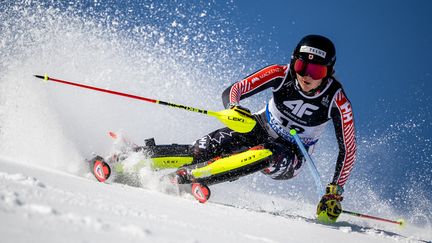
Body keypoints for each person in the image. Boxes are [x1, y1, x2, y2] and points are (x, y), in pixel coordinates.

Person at [96, 34, 357, 223]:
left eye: (316, 70)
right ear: (294, 63)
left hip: (292, 155)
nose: (307, 76)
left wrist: (336, 189)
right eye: (302, 66)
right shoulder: (281, 73)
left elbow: (349, 150)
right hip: (261, 126)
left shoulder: (337, 100)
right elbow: (235, 89)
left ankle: (192, 177)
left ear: (329, 72)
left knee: (267, 152)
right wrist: (234, 108)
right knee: (203, 149)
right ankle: (133, 158)